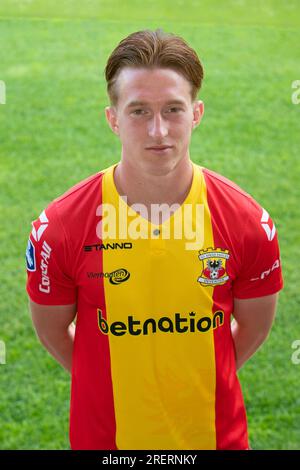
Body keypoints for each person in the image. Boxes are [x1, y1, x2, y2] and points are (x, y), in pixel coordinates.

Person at [26, 29, 283, 450]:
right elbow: (52, 331)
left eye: (173, 109)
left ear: (197, 113)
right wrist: (111, 380)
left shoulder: (247, 222)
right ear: (113, 118)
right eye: (139, 111)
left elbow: (254, 327)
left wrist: (196, 379)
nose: (158, 130)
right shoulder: (60, 226)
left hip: (216, 439)